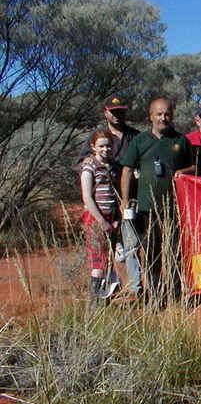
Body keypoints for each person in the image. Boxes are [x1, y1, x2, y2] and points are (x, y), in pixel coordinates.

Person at [120, 97, 196, 305]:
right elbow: (127, 170)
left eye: (167, 114)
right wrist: (125, 199)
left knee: (173, 251)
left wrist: (183, 171)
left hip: (174, 207)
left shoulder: (180, 141)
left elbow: (195, 167)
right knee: (151, 251)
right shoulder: (140, 141)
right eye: (159, 114)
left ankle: (175, 293)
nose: (164, 118)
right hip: (147, 208)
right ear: (150, 116)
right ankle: (155, 295)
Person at [78, 96, 141, 296]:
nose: (117, 115)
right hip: (100, 212)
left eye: (121, 111)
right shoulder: (95, 141)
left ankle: (134, 288)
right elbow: (86, 182)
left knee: (129, 248)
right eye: (113, 111)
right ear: (106, 112)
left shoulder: (134, 136)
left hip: (126, 204)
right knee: (101, 256)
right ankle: (98, 298)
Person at [80, 130, 120, 299]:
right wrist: (101, 220)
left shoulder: (112, 167)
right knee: (98, 260)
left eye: (108, 145)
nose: (105, 149)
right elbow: (87, 197)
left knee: (109, 258)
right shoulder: (89, 166)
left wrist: (116, 219)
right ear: (93, 147)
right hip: (95, 220)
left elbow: (116, 194)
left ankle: (106, 298)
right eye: (101, 146)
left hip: (111, 219)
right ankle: (95, 301)